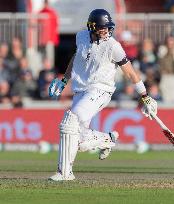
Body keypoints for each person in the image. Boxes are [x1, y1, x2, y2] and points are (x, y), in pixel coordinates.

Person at [48, 9, 157, 181]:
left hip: (100, 90)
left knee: (70, 120)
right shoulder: (81, 37)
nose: (105, 31)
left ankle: (65, 173)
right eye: (101, 28)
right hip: (80, 90)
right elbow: (77, 60)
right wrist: (64, 80)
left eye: (107, 28)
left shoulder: (113, 46)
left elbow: (130, 73)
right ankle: (108, 138)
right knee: (80, 140)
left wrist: (145, 96)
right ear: (91, 27)